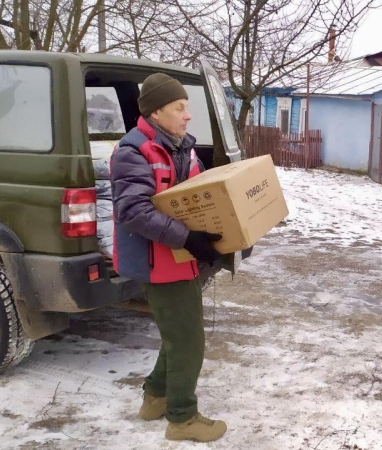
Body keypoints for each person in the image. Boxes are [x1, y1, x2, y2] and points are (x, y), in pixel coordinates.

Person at [110, 73, 227, 442]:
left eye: (186, 107)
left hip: (181, 257)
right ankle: (182, 418)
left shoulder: (181, 147)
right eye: (179, 107)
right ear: (156, 111)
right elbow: (132, 211)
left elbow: (201, 194)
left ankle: (155, 398)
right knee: (189, 338)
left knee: (177, 335)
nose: (187, 115)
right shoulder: (133, 151)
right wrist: (187, 237)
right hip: (157, 260)